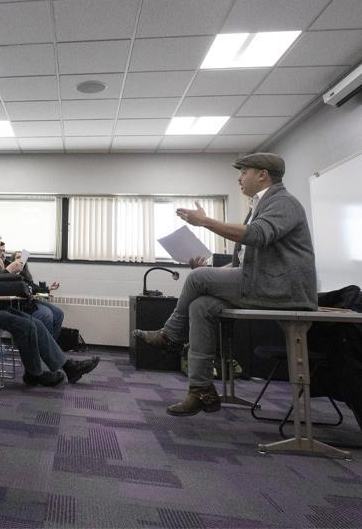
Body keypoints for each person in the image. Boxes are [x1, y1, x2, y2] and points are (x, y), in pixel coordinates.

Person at [134, 153, 317, 416]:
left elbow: (256, 236)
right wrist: (209, 273)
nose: (239, 178)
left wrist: (205, 222)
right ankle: (200, 389)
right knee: (201, 305)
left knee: (198, 280)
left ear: (263, 174)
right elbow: (246, 262)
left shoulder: (284, 203)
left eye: (244, 172)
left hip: (283, 288)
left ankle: (170, 335)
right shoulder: (260, 206)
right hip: (261, 281)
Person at [0, 228, 99, 387]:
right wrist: (7, 271)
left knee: (36, 323)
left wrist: (6, 272)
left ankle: (67, 367)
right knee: (26, 325)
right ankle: (35, 374)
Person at [11, 250, 65, 342]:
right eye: (17, 258)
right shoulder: (10, 274)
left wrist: (48, 288)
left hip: (31, 301)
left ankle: (52, 345)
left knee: (59, 313)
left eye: (22, 257)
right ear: (12, 261)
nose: (21, 260)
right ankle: (46, 347)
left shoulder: (25, 274)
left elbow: (34, 288)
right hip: (22, 304)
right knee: (47, 315)